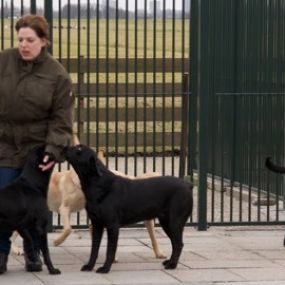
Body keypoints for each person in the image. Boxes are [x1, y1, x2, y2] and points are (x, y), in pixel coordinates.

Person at [0, 14, 74, 274]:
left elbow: (61, 120)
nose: (23, 45)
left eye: (30, 40)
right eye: (20, 39)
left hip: (37, 151)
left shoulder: (57, 75)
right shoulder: (3, 62)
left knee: (33, 206)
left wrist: (52, 151)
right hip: (4, 145)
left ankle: (34, 254)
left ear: (43, 41)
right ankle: (0, 255)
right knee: (4, 200)